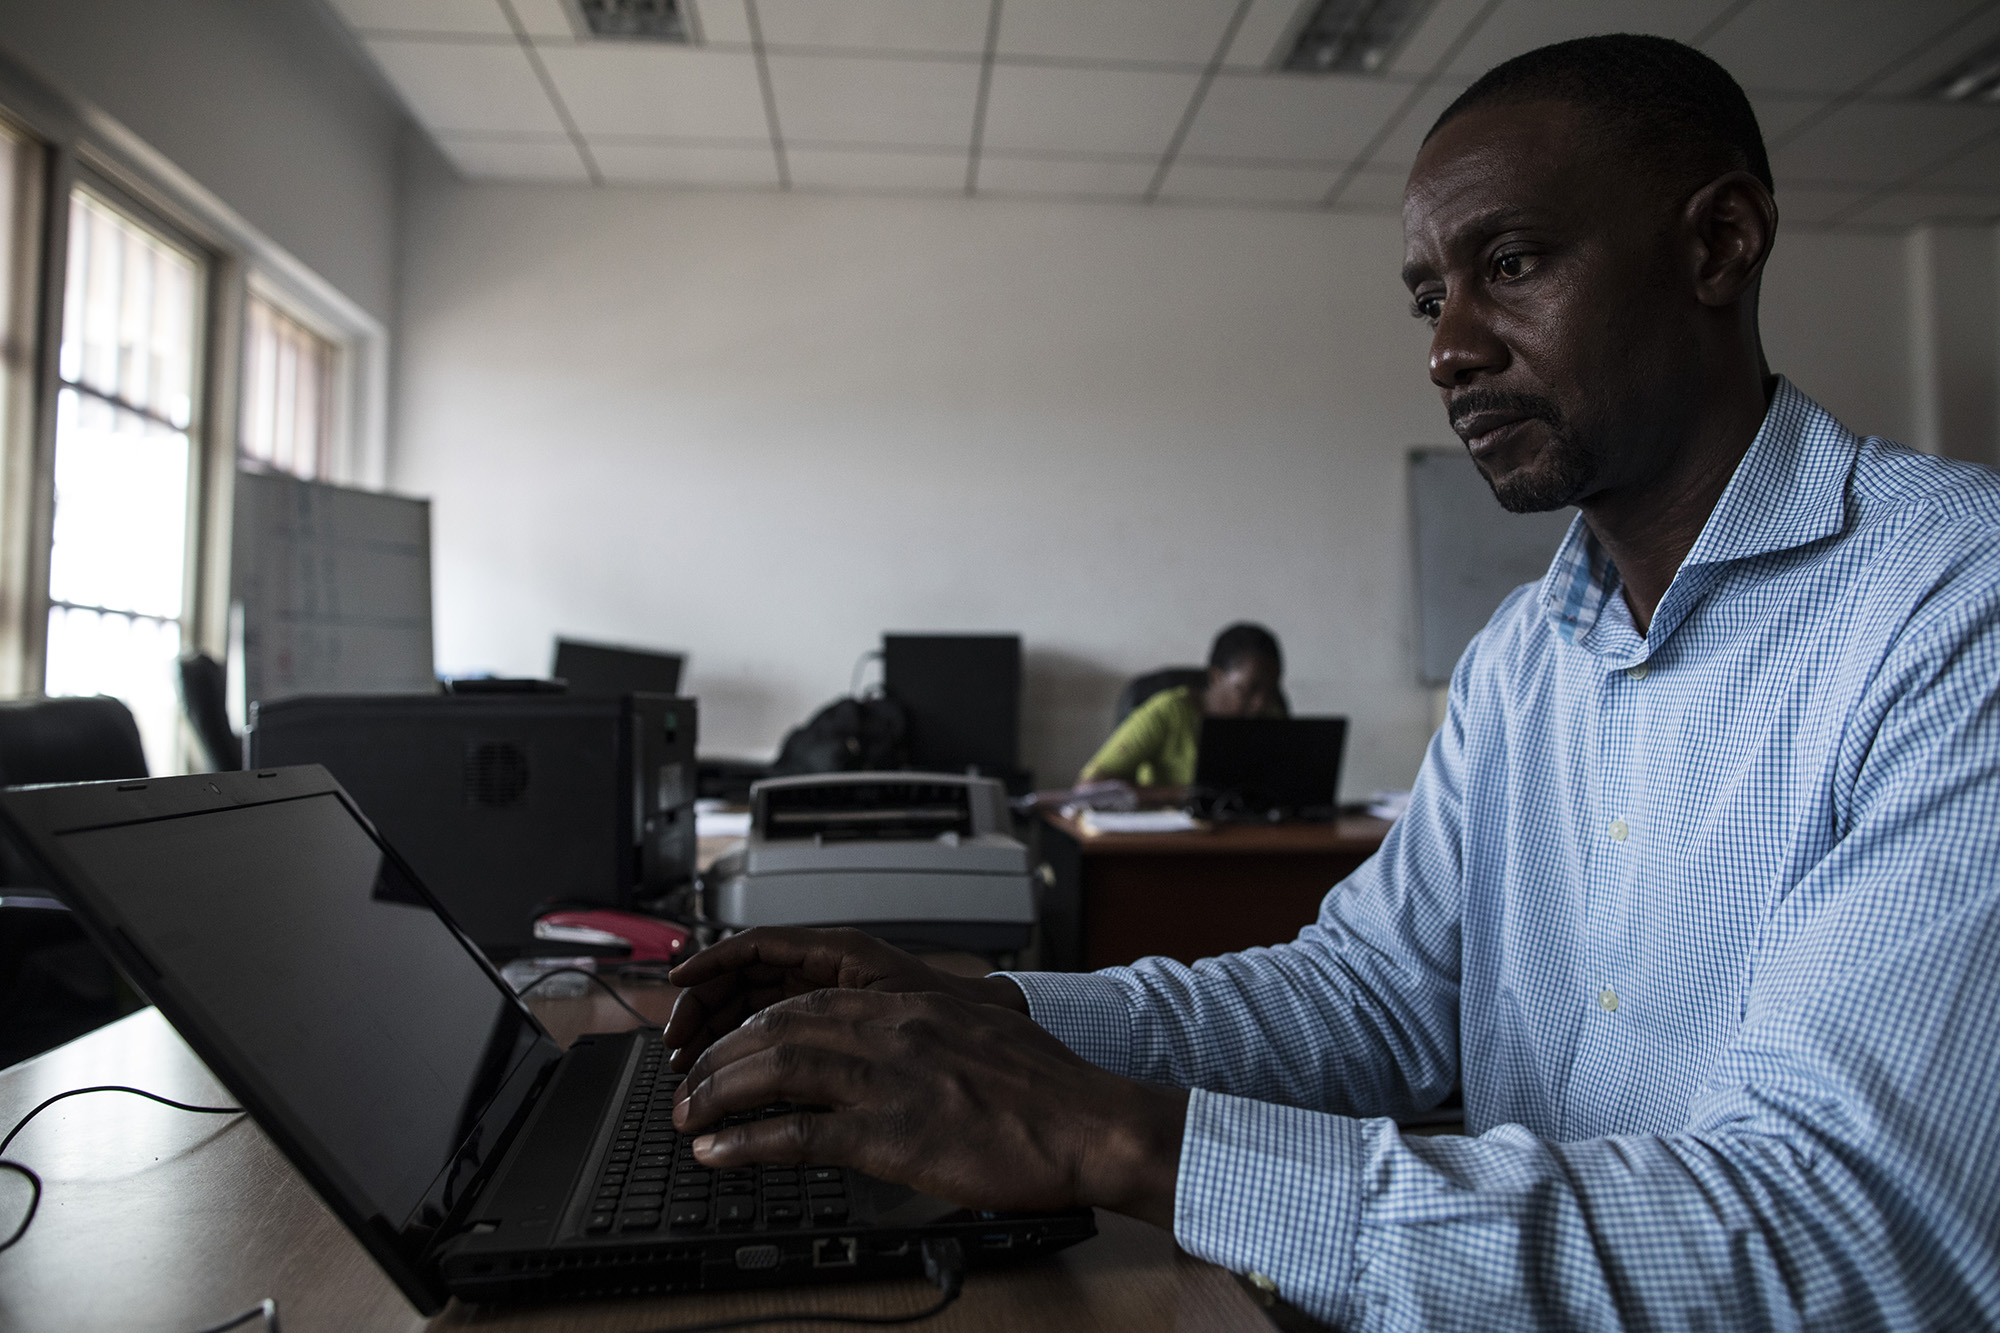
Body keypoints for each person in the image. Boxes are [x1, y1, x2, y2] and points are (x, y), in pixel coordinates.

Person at [662, 35, 2000, 1328]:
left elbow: (1843, 1236)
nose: (1447, 350)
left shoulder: (1953, 609)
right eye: (1431, 299)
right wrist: (986, 1013)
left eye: (1512, 263)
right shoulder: (1523, 662)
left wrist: (1120, 1139)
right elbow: (1364, 999)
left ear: (1717, 244)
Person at [1076, 622, 1285, 788]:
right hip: (1169, 838)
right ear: (1216, 677)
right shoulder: (1168, 712)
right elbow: (1090, 785)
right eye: (1249, 690)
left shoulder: (1271, 716)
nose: (1261, 703)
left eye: (1271, 690)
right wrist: (1178, 795)